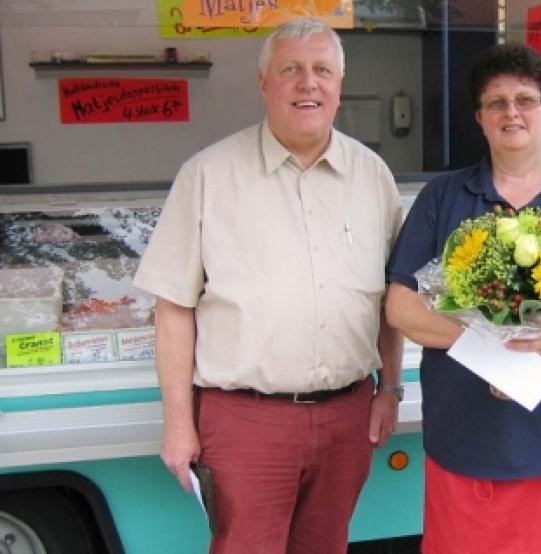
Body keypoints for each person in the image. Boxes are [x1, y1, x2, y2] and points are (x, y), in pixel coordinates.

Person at [133, 18, 404, 554]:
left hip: (347, 414)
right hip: (246, 421)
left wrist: (390, 388)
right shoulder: (209, 176)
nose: (309, 84)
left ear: (339, 84)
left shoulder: (373, 177)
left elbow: (391, 302)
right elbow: (173, 310)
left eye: (322, 70)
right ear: (264, 84)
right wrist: (178, 425)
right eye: (292, 70)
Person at [385, 43, 541, 554]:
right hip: (469, 439)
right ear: (479, 118)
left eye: (525, 99)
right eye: (496, 102)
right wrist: (488, 343)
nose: (511, 112)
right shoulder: (443, 197)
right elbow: (401, 306)